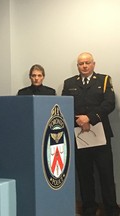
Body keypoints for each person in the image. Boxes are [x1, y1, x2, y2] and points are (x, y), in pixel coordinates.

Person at [62, 52, 120, 216]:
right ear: (78, 66)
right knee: (85, 174)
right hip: (80, 134)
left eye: (87, 63)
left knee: (106, 174)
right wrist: (80, 120)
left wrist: (90, 118)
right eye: (81, 63)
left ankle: (111, 209)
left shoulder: (104, 80)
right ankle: (89, 208)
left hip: (101, 135)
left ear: (94, 64)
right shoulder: (69, 83)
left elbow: (109, 103)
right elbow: (66, 105)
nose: (85, 66)